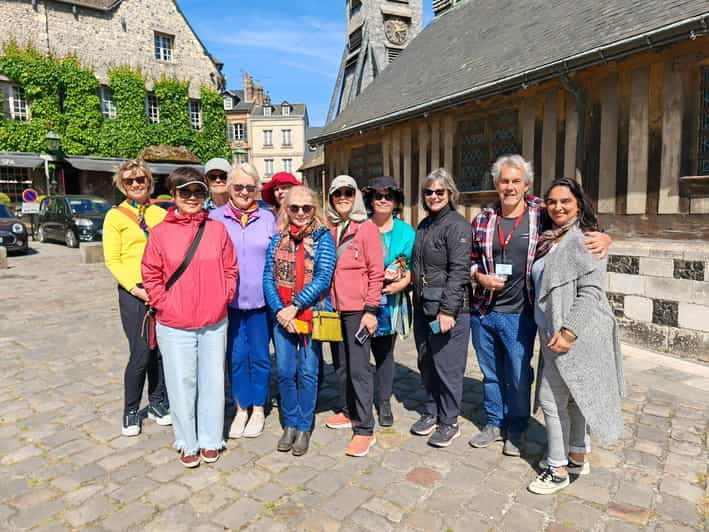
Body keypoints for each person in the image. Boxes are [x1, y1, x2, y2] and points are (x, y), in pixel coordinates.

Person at [469, 155, 611, 456]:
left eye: (515, 181)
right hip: (483, 310)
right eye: (504, 181)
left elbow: (575, 223)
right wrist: (478, 276)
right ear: (496, 184)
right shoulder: (482, 219)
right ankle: (495, 422)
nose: (509, 187)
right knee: (491, 373)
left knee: (519, 374)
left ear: (526, 185)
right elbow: (469, 260)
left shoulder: (540, 213)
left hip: (520, 313)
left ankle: (517, 427)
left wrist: (607, 236)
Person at [527, 178, 624, 494]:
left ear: (578, 204)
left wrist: (568, 332)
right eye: (552, 201)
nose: (557, 207)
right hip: (555, 331)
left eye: (565, 201)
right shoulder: (551, 237)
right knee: (574, 397)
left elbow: (592, 291)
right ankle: (577, 454)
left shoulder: (586, 240)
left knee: (551, 398)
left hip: (574, 333)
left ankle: (557, 469)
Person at [141, 168, 237, 467]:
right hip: (174, 322)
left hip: (213, 320)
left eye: (197, 192)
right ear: (174, 196)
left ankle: (210, 439)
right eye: (185, 192)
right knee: (182, 383)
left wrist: (224, 296)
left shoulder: (217, 230)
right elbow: (151, 274)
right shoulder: (160, 233)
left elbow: (230, 268)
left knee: (212, 381)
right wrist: (164, 304)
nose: (192, 198)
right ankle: (186, 441)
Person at [263, 186, 336, 456]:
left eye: (307, 208)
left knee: (307, 372)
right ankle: (290, 423)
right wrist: (281, 311)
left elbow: (323, 277)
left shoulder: (322, 237)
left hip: (309, 314)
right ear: (286, 209)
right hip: (282, 316)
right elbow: (267, 278)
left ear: (314, 209)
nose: (301, 213)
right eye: (295, 208)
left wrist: (295, 306)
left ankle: (304, 426)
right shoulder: (277, 238)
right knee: (284, 371)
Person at [103, 159, 171, 436]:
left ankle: (157, 403)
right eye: (130, 181)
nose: (136, 184)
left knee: (160, 351)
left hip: (161, 289)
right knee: (141, 351)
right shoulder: (115, 217)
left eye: (141, 179)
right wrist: (135, 288)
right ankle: (131, 410)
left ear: (149, 182)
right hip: (134, 291)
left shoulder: (160, 213)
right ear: (122, 185)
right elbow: (112, 260)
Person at [210, 162, 277, 439]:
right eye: (238, 186)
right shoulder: (215, 218)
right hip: (229, 303)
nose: (244, 192)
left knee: (260, 357)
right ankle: (241, 408)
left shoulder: (268, 218)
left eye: (250, 187)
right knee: (236, 358)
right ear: (228, 187)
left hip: (261, 303)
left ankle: (259, 408)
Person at [410, 168, 472, 447]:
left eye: (439, 191)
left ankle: (450, 420)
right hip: (423, 307)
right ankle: (432, 411)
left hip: (448, 310)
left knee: (447, 366)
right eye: (429, 192)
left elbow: (459, 271)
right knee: (427, 362)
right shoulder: (424, 225)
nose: (433, 196)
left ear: (450, 194)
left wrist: (448, 311)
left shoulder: (457, 225)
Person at [325, 175, 384, 457]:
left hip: (358, 309)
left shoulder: (367, 229)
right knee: (341, 366)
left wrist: (371, 310)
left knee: (360, 369)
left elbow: (376, 273)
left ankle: (364, 429)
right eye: (337, 194)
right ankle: (348, 411)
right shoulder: (328, 227)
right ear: (331, 199)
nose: (343, 198)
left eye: (348, 192)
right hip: (334, 309)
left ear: (356, 196)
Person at [362, 176, 415, 427]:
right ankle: (357, 402)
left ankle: (383, 401)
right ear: (370, 201)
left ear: (396, 202)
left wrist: (406, 281)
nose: (383, 200)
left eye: (388, 196)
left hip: (392, 301)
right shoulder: (361, 227)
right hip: (363, 302)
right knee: (360, 354)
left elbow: (414, 264)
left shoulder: (406, 231)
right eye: (378, 196)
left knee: (384, 354)